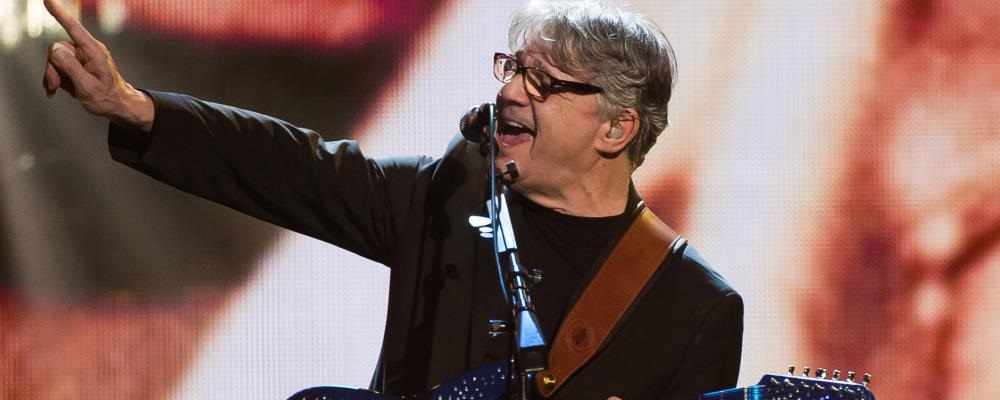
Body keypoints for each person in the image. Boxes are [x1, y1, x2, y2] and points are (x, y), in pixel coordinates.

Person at [41, 0, 743, 398]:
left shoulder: (694, 309)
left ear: (617, 128)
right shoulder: (448, 195)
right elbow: (297, 169)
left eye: (544, 83)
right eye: (512, 70)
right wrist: (138, 110)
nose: (508, 93)